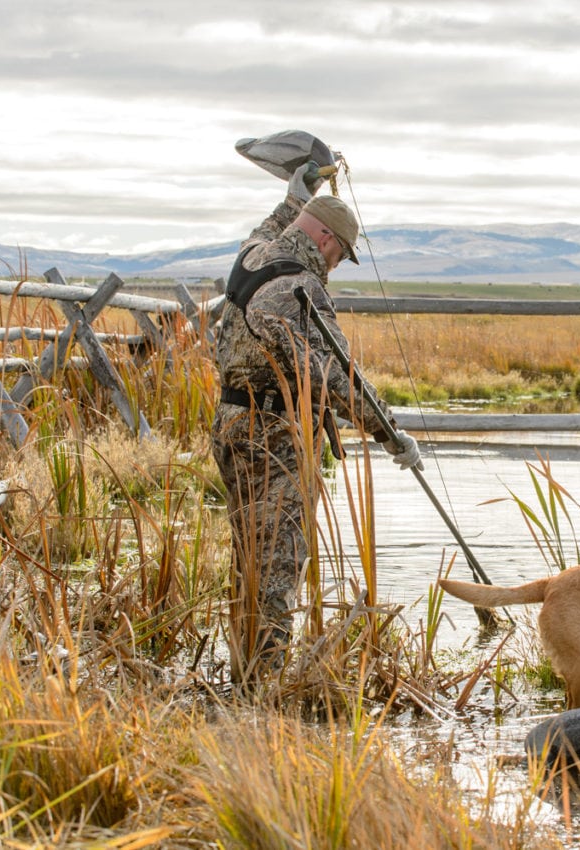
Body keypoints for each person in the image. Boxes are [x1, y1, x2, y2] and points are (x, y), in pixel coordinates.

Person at [211, 163, 422, 683]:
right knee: (279, 564)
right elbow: (337, 376)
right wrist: (392, 434)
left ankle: (245, 672)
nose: (337, 264)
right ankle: (262, 688)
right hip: (272, 436)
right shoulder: (299, 289)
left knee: (250, 557)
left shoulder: (255, 255)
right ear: (325, 237)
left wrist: (294, 198)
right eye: (339, 253)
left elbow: (269, 227)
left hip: (232, 426)